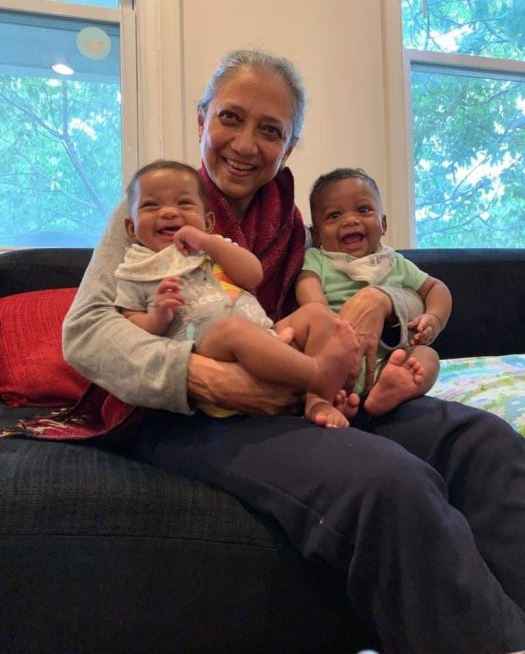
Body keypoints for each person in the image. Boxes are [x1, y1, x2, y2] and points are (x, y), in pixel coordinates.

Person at [62, 49, 525, 652]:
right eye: (231, 117)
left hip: (304, 394)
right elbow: (85, 330)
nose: (245, 144)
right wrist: (198, 375)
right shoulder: (152, 213)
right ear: (201, 118)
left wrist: (380, 300)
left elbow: (391, 281)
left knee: (484, 442)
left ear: (290, 146)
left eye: (270, 130)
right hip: (192, 415)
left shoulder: (296, 230)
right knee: (389, 485)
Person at [115, 158, 358, 426]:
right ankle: (316, 374)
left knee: (315, 313)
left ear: (208, 222)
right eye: (151, 205)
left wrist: (208, 242)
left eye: (184, 203)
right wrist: (158, 316)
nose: (169, 212)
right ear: (131, 228)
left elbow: (253, 275)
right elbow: (130, 324)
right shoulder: (136, 269)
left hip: (266, 332)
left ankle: (317, 401)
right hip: (206, 348)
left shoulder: (212, 247)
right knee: (232, 329)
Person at [296, 167, 452, 417]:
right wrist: (322, 312)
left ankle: (390, 390)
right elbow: (306, 282)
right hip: (335, 355)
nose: (350, 220)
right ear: (316, 234)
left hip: (389, 361)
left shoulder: (393, 262)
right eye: (334, 215)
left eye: (363, 209)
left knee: (427, 357)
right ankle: (329, 401)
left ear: (383, 223)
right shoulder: (320, 259)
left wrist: (434, 318)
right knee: (311, 363)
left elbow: (436, 287)